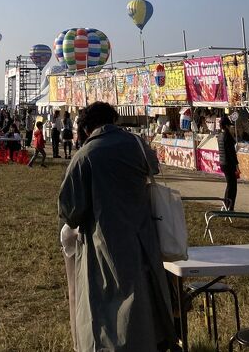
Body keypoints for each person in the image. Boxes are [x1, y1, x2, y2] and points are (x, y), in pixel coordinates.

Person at [58, 101, 176, 352]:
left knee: (106, 305)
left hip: (104, 242)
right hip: (142, 236)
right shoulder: (136, 145)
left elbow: (70, 211)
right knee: (143, 298)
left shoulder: (85, 156)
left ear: (86, 127)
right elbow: (153, 168)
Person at [217, 115, 239, 210]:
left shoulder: (220, 136)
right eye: (229, 126)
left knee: (229, 185)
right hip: (229, 163)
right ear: (226, 126)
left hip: (223, 163)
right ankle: (229, 205)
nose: (230, 127)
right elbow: (231, 152)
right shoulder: (227, 136)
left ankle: (226, 203)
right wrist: (236, 165)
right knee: (232, 186)